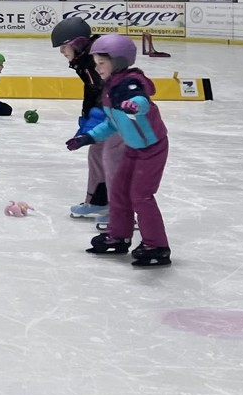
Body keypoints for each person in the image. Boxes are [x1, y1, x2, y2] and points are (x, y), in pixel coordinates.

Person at [68, 34, 171, 268]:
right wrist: (89, 137)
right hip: (133, 148)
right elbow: (112, 123)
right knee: (119, 191)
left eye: (102, 63)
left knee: (141, 196)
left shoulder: (131, 82)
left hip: (151, 149)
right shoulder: (111, 87)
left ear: (118, 61)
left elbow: (141, 100)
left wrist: (134, 106)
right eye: (96, 63)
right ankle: (119, 235)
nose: (97, 68)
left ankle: (157, 245)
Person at [53, 16, 114, 221]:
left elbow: (103, 93)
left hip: (116, 119)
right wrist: (86, 119)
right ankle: (99, 201)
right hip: (104, 116)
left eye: (64, 47)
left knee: (111, 160)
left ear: (76, 43)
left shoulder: (93, 62)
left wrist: (93, 123)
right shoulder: (84, 61)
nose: (62, 52)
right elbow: (91, 92)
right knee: (97, 156)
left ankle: (119, 211)